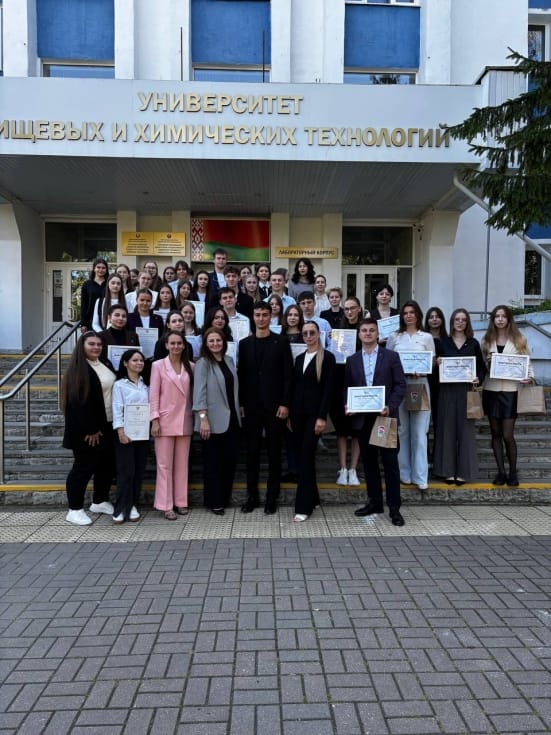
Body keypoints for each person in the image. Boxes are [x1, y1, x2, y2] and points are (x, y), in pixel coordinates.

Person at [344, 318, 407, 526]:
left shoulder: (391, 357)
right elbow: (347, 387)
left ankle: (395, 509)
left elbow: (400, 385)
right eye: (364, 330)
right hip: (363, 419)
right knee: (369, 463)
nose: (368, 333)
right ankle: (375, 502)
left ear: (378, 334)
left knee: (390, 464)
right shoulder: (352, 360)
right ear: (359, 334)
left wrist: (391, 406)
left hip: (385, 417)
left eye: (372, 330)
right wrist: (348, 404)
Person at [238, 301, 293, 514]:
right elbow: (242, 376)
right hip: (251, 408)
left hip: (275, 407)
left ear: (271, 316)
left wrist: (285, 403)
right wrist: (241, 403)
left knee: (274, 454)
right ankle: (252, 497)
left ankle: (272, 497)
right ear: (253, 317)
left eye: (264, 315)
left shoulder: (281, 342)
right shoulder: (244, 344)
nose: (261, 318)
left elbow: (288, 376)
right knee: (251, 454)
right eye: (257, 315)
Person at [61, 332, 116, 525]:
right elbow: (78, 403)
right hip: (87, 430)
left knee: (106, 465)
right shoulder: (78, 369)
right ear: (82, 346)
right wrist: (91, 429)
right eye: (91, 344)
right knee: (83, 468)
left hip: (107, 424)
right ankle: (74, 509)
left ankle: (99, 501)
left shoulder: (104, 363)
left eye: (99, 344)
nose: (96, 347)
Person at [481, 304, 534, 486]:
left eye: (503, 316)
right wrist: (487, 363)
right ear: (493, 320)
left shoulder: (519, 339)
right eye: (497, 316)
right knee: (495, 433)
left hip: (511, 391)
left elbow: (527, 362)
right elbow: (482, 367)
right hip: (491, 389)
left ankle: (513, 472)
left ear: (509, 319)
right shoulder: (486, 340)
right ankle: (501, 472)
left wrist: (529, 377)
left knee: (507, 435)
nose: (500, 319)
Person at [433, 308, 486, 484]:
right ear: (452, 322)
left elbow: (481, 367)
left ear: (467, 323)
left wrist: (478, 378)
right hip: (446, 391)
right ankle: (446, 471)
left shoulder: (473, 343)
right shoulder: (443, 343)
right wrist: (437, 363)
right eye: (457, 319)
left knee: (466, 432)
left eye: (463, 320)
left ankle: (464, 472)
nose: (460, 322)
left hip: (466, 390)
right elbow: (434, 370)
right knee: (446, 430)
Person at [290, 321, 336, 522]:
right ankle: (314, 498)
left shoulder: (328, 358)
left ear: (318, 334)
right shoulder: (299, 358)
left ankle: (303, 507)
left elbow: (328, 390)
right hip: (297, 416)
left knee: (306, 459)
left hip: (314, 416)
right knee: (303, 458)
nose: (308, 336)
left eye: (312, 333)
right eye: (305, 333)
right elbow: (294, 388)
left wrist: (321, 416)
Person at [387, 301, 435, 490]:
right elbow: (388, 362)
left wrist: (422, 369)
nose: (408, 315)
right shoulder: (394, 337)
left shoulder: (427, 337)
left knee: (420, 432)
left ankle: (420, 476)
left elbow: (431, 362)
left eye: (412, 312)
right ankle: (404, 473)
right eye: (405, 313)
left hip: (419, 384)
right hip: (399, 387)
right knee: (402, 431)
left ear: (418, 315)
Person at [193, 327, 241, 515]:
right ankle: (214, 502)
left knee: (229, 462)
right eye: (211, 341)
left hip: (232, 419)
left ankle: (224, 498)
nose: (215, 344)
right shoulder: (203, 363)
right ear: (206, 344)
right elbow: (199, 393)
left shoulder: (229, 360)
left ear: (224, 342)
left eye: (218, 340)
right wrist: (203, 418)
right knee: (213, 464)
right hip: (211, 421)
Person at [150, 330, 194, 520]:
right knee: (164, 465)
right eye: (172, 343)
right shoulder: (158, 365)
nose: (176, 346)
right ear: (166, 345)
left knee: (182, 464)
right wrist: (155, 419)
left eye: (179, 343)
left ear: (184, 345)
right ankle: (165, 505)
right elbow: (153, 394)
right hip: (164, 421)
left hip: (185, 420)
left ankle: (181, 501)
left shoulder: (191, 366)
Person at [111, 349, 149, 523]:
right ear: (125, 363)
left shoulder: (146, 384)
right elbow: (117, 408)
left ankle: (132, 505)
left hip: (142, 434)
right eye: (135, 360)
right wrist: (120, 430)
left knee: (138, 471)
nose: (139, 363)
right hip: (125, 434)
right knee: (125, 472)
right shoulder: (119, 385)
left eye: (141, 360)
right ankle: (120, 508)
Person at [332, 296, 364, 486]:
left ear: (359, 309)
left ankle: (353, 469)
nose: (349, 312)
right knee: (342, 430)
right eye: (346, 309)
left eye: (353, 308)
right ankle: (342, 468)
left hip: (360, 384)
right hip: (341, 383)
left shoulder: (364, 330)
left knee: (357, 430)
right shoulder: (339, 330)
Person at [424, 306, 448, 452]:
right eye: (431, 317)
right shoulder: (422, 338)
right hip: (425, 381)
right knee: (424, 422)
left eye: (437, 316)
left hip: (442, 384)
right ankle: (425, 453)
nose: (434, 319)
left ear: (442, 319)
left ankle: (438, 454)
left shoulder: (448, 340)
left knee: (440, 420)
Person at [80, 257, 108, 332]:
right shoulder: (87, 285)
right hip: (90, 319)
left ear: (106, 270)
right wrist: (83, 323)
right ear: (94, 269)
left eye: (103, 268)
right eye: (98, 267)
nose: (101, 270)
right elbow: (84, 304)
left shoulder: (109, 284)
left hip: (106, 318)